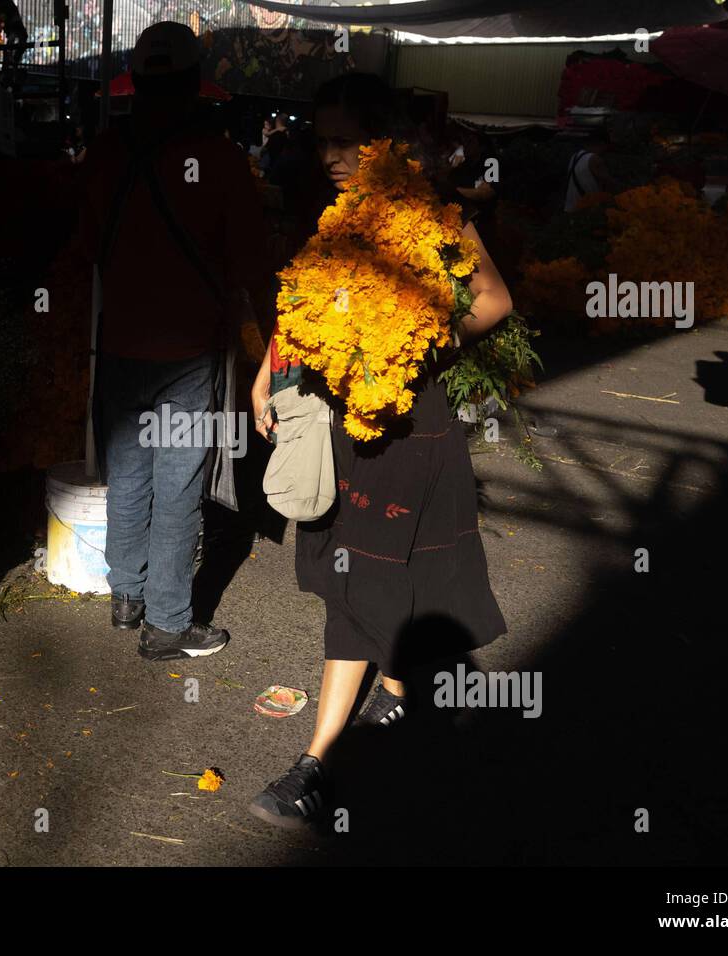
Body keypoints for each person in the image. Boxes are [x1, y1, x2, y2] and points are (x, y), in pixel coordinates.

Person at [247, 72, 512, 829]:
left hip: (408, 430)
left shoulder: (431, 216)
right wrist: (268, 376)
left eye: (343, 140)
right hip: (341, 427)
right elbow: (297, 310)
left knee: (361, 577)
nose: (329, 154)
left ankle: (314, 765)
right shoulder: (335, 220)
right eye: (321, 139)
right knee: (367, 572)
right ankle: (397, 692)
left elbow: (495, 300)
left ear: (381, 141)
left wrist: (417, 347)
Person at [78, 22, 268, 661]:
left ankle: (126, 596)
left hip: (120, 348)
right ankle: (166, 622)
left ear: (138, 84)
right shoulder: (217, 159)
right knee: (179, 484)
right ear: (194, 85)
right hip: (189, 353)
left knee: (128, 474)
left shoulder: (104, 152)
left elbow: (80, 247)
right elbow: (249, 264)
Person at [562, 126, 619, 211]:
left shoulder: (575, 156)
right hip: (586, 212)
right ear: (602, 143)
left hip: (570, 210)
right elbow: (610, 185)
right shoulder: (595, 159)